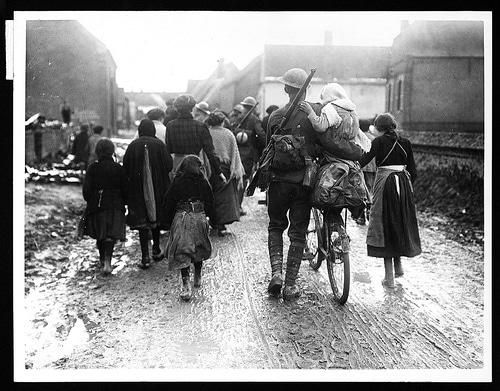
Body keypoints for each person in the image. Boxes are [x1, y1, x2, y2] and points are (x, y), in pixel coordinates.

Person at [264, 68, 362, 300]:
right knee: (298, 233)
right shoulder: (316, 111)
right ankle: (290, 285)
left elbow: (268, 148)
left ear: (286, 89)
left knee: (276, 226)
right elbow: (325, 143)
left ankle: (276, 273)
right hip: (304, 181)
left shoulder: (275, 116)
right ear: (306, 89)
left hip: (278, 181)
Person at [358, 113, 421, 288]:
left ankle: (389, 278)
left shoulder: (378, 142)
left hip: (385, 184)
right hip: (403, 185)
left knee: (384, 225)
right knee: (399, 222)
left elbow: (363, 161)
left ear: (379, 128)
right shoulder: (405, 142)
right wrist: (405, 186)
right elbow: (413, 171)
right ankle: (399, 267)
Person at [163, 155, 215, 301]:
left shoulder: (177, 181)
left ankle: (186, 284)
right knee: (198, 247)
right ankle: (197, 275)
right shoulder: (203, 182)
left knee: (182, 250)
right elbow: (210, 201)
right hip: (199, 217)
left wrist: (167, 221)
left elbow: (169, 202)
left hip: (182, 218)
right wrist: (212, 219)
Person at [123, 119, 173, 269]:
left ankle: (145, 255)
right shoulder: (159, 145)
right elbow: (169, 165)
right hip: (158, 187)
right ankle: (156, 248)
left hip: (137, 189)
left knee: (142, 221)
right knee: (155, 217)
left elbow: (125, 167)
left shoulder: (133, 146)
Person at [82, 139, 128, 276]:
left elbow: (86, 192)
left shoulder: (92, 168)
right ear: (112, 151)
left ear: (97, 152)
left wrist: (90, 201)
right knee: (110, 236)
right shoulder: (119, 168)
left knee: (100, 235)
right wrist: (123, 203)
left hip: (97, 205)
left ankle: (102, 261)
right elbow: (126, 190)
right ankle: (108, 262)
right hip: (115, 206)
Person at [165, 94, 226, 185]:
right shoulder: (200, 126)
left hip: (177, 166)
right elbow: (210, 152)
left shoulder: (170, 125)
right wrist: (219, 172)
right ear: (192, 108)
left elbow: (169, 149)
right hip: (195, 165)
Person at [206, 111, 245, 236]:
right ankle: (221, 223)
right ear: (222, 121)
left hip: (209, 168)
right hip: (225, 168)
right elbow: (234, 152)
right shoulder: (228, 134)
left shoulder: (206, 132)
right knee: (223, 197)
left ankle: (212, 220)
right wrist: (235, 169)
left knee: (210, 194)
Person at [230, 96, 264, 216]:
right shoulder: (255, 120)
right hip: (248, 153)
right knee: (243, 180)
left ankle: (234, 206)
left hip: (235, 152)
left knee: (234, 179)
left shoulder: (236, 118)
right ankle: (237, 207)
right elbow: (260, 135)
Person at [356, 126, 377, 225]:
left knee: (361, 189)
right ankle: (370, 210)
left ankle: (361, 216)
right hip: (372, 167)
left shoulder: (358, 137)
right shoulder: (374, 138)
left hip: (361, 167)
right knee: (370, 189)